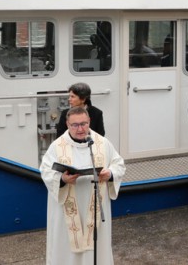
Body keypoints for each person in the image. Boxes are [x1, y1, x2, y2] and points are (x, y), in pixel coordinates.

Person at [40, 106, 126, 265]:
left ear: (89, 122)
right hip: (67, 211)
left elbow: (119, 165)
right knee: (66, 248)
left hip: (95, 208)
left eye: (84, 124)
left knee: (96, 248)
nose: (80, 129)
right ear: (67, 124)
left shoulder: (101, 143)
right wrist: (63, 180)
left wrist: (110, 174)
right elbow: (45, 171)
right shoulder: (57, 147)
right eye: (75, 125)